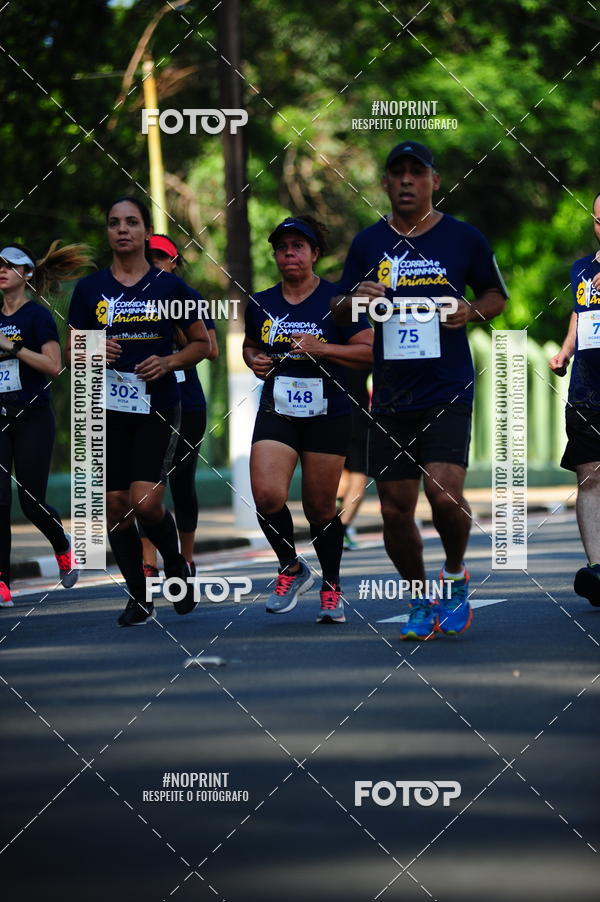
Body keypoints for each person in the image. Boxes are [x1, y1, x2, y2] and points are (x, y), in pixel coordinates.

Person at [333, 140, 508, 640]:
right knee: (393, 508)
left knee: (444, 493)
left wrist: (471, 311)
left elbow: (496, 295)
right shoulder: (369, 243)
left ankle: (454, 574)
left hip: (448, 387)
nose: (407, 181)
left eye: (417, 172)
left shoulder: (463, 238)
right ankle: (417, 597)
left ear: (434, 181)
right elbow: (340, 309)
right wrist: (356, 298)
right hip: (390, 395)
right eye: (398, 173)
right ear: (385, 184)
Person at [66, 197, 210, 627]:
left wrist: (167, 362)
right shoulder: (90, 290)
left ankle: (177, 570)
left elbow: (201, 345)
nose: (122, 230)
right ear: (108, 233)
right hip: (107, 408)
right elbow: (70, 349)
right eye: (114, 223)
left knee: (146, 502)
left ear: (146, 232)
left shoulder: (170, 288)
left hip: (157, 405)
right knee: (114, 505)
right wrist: (92, 348)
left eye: (131, 222)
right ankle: (138, 597)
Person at [244, 215, 372, 623]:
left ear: (315, 253)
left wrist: (323, 348)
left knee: (319, 507)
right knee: (266, 494)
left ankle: (331, 584)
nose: (289, 254)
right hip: (278, 407)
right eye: (282, 248)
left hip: (328, 410)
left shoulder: (340, 300)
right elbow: (250, 345)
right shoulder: (260, 302)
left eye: (298, 246)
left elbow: (368, 351)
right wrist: (253, 359)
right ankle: (291, 566)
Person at [0, 241, 92, 607]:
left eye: (10, 265)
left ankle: (62, 544)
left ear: (26, 274)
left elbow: (55, 366)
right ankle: (2, 583)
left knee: (30, 500)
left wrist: (14, 348)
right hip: (0, 416)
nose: (2, 269)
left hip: (33, 417)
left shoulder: (36, 316)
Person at [139, 234, 218, 580]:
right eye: (149, 257)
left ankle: (186, 558)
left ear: (174, 263)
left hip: (187, 403)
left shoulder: (188, 298)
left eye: (162, 258)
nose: (155, 263)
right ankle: (148, 562)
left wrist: (175, 329)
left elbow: (211, 349)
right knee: (144, 484)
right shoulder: (129, 300)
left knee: (182, 483)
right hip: (143, 402)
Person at [549, 191, 600, 607]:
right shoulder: (581, 269)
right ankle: (598, 570)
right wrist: (566, 351)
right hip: (586, 392)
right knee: (590, 476)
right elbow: (580, 313)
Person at [337, 366, 371, 550]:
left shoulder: (323, 343)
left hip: (326, 415)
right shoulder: (363, 346)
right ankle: (341, 530)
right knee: (358, 476)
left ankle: (333, 526)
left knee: (341, 474)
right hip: (358, 417)